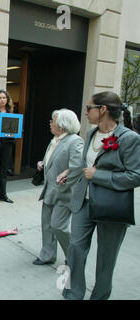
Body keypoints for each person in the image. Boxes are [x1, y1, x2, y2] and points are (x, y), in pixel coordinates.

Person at [62, 91, 140, 300]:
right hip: (83, 201)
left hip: (111, 205)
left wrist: (99, 176)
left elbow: (135, 176)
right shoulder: (90, 134)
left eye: (89, 108)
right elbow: (86, 165)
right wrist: (70, 171)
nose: (86, 112)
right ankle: (72, 292)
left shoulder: (130, 138)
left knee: (107, 257)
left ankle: (100, 296)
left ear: (103, 109)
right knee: (75, 248)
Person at [33, 109, 83, 266]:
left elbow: (77, 166)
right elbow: (53, 159)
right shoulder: (55, 139)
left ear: (63, 124)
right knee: (46, 225)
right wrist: (43, 164)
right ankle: (47, 255)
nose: (50, 123)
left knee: (58, 226)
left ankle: (73, 256)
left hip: (64, 191)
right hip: (49, 189)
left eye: (53, 120)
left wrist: (65, 179)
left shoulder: (75, 141)